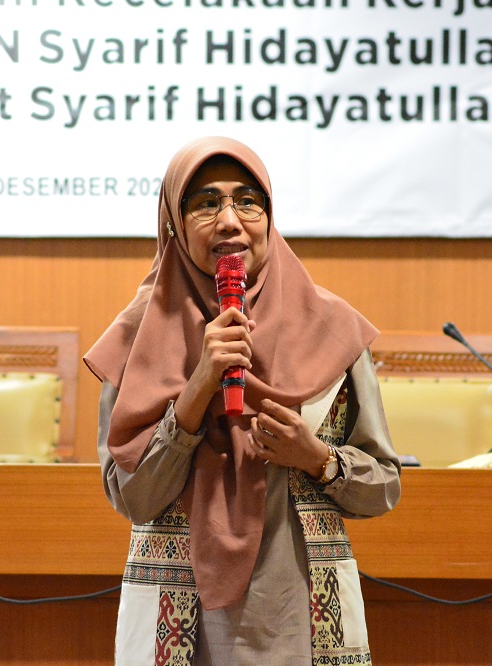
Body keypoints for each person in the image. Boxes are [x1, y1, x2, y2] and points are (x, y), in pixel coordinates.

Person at [83, 136, 401, 665]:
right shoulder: (137, 339)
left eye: (248, 201)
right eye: (206, 203)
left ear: (270, 218)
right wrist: (197, 388)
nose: (230, 221)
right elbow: (132, 496)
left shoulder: (332, 329)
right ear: (173, 223)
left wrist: (317, 458)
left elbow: (384, 486)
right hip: (177, 620)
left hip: (302, 612)